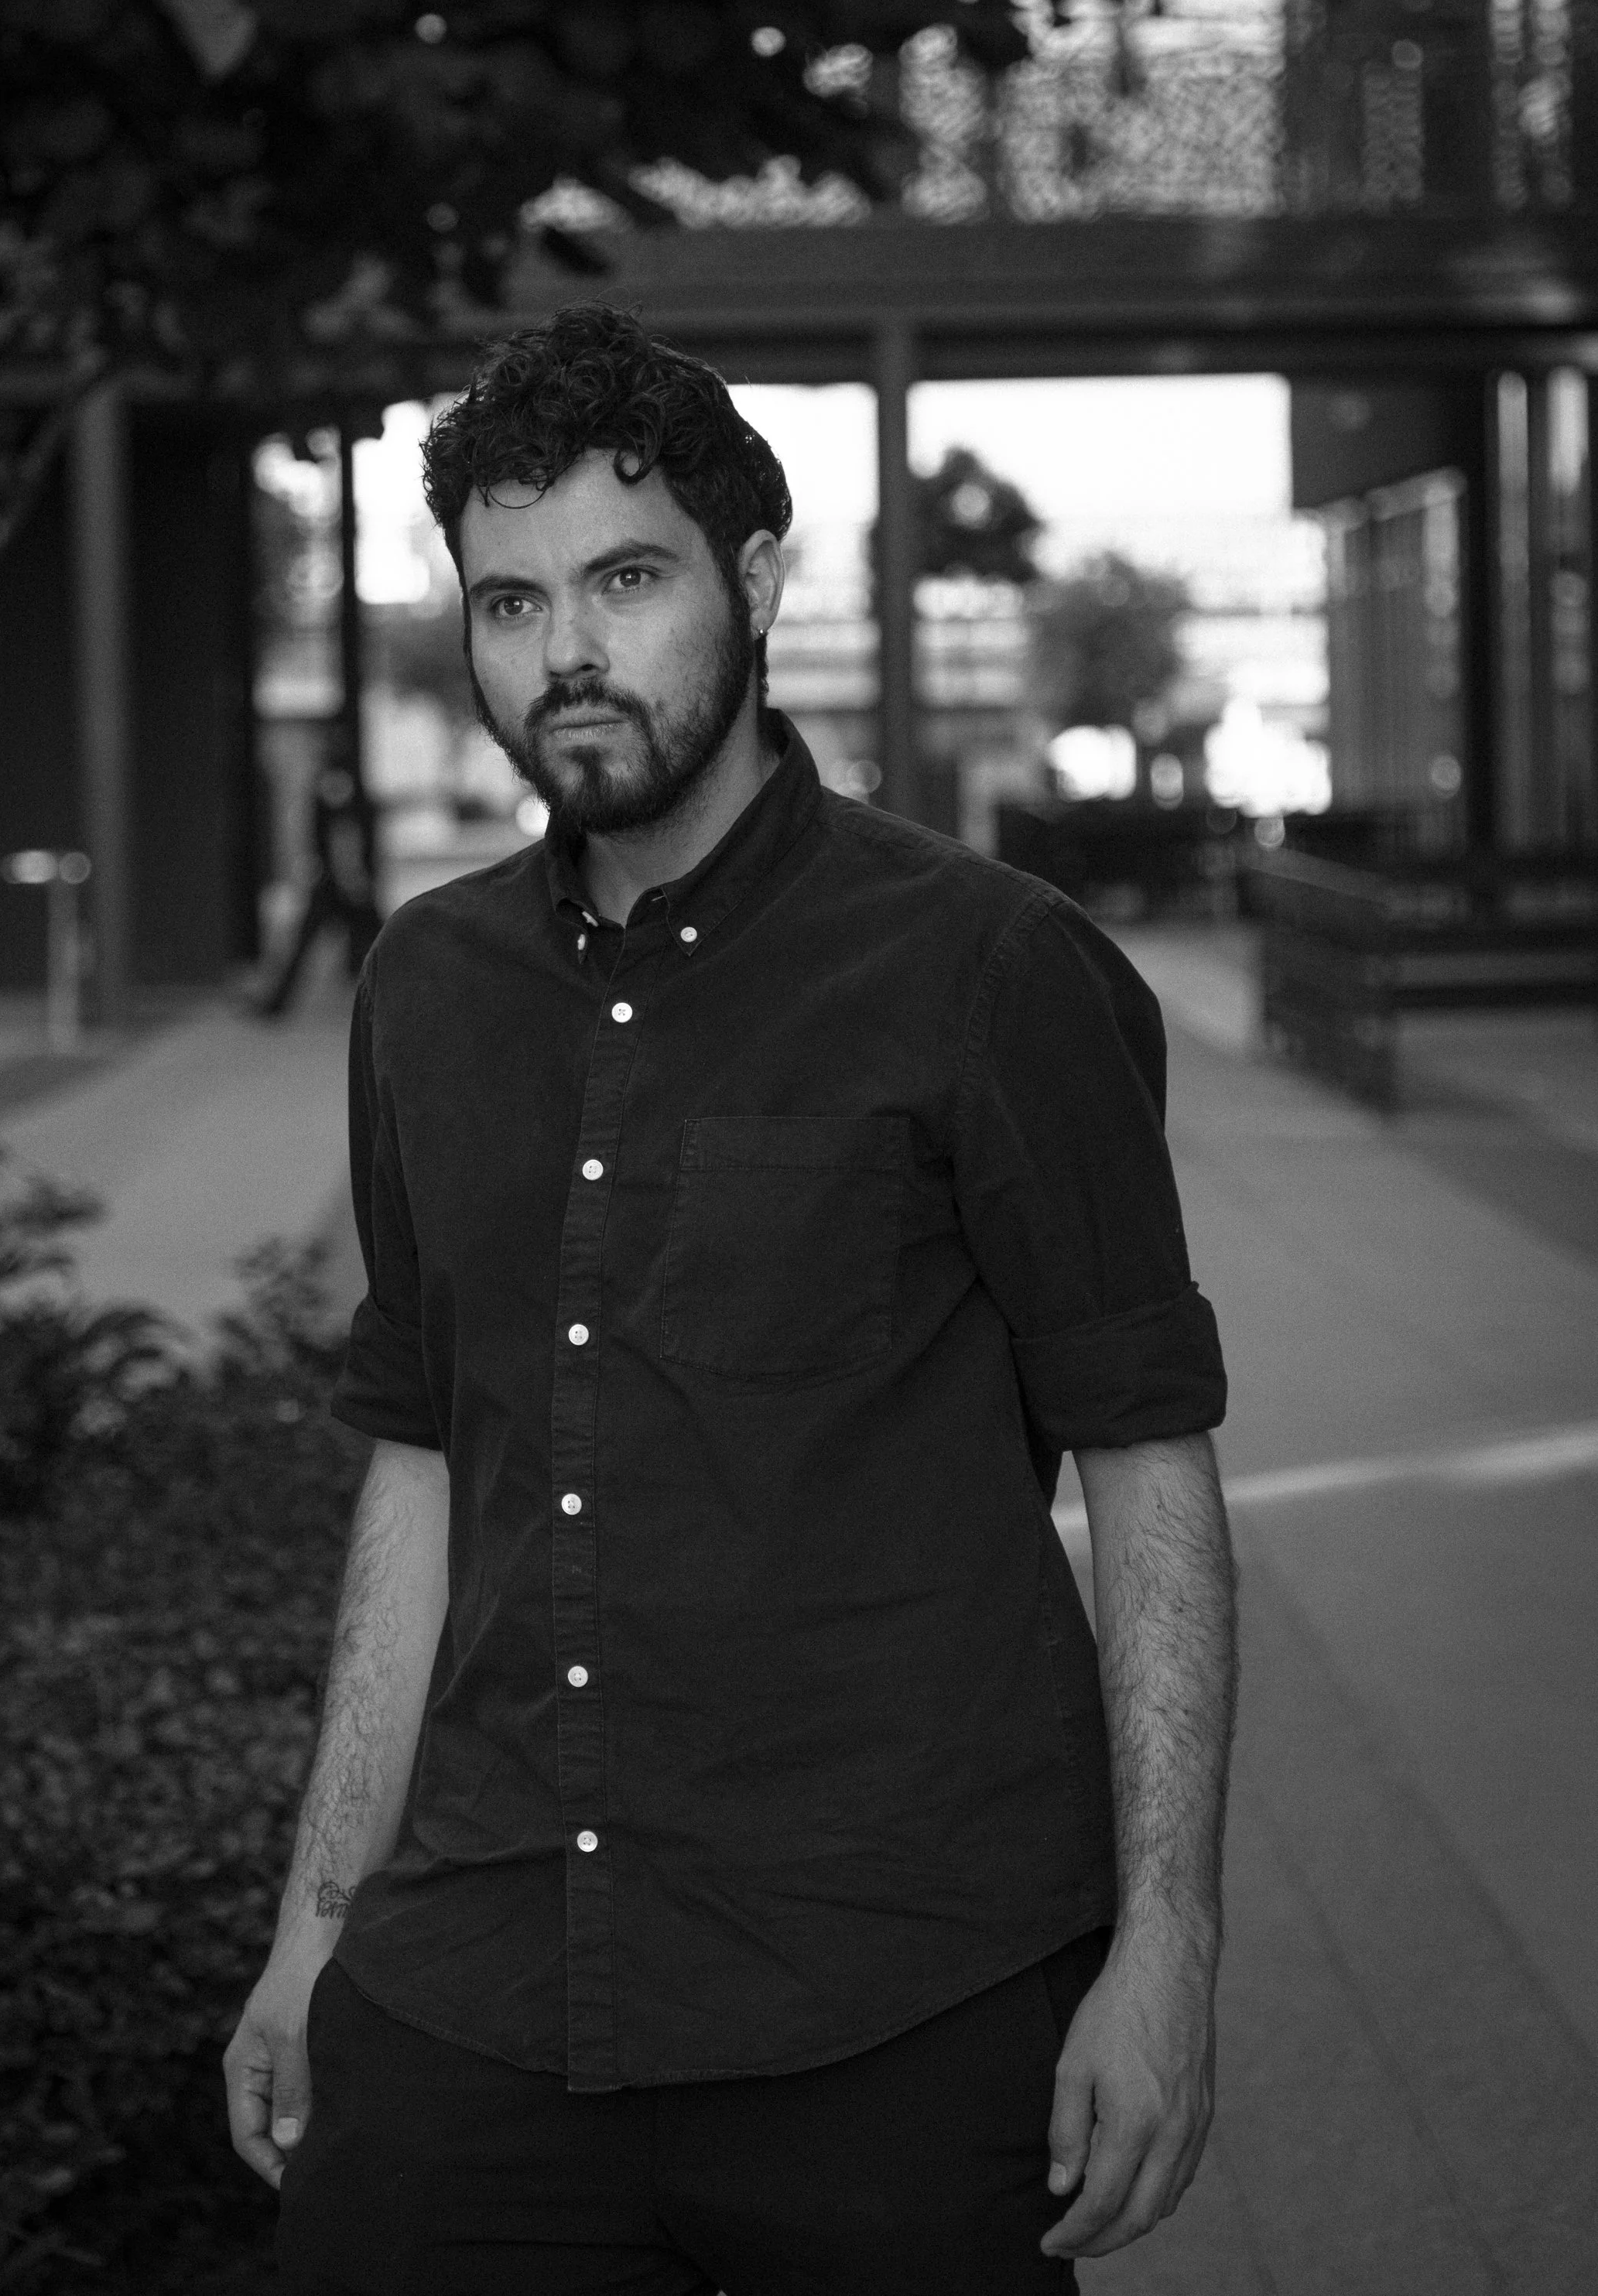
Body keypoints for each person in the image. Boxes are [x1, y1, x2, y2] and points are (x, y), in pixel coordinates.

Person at [224, 304, 1237, 2295]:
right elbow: (420, 1461)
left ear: (754, 579)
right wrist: (313, 1921)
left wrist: (1168, 1947)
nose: (565, 652)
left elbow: (1148, 1471)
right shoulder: (425, 989)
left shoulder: (991, 970)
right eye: (509, 601)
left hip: (893, 1989)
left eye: (625, 579)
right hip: (484, 1967)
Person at [251, 756, 382, 1016]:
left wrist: (360, 879)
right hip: (331, 889)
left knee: (380, 942)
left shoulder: (359, 811)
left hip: (356, 889)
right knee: (303, 943)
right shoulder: (324, 812)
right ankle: (275, 1004)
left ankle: (392, 1001)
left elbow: (363, 850)